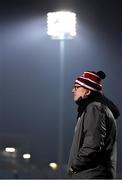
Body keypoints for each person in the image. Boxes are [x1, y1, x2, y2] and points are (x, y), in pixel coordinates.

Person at [67, 70, 120, 179]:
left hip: (91, 175)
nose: (73, 90)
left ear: (87, 91)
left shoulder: (94, 108)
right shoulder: (95, 108)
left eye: (76, 87)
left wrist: (74, 166)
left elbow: (92, 146)